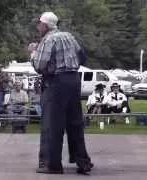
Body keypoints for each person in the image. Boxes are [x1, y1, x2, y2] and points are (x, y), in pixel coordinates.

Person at [29, 12, 93, 175]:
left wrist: (33, 53)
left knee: (52, 124)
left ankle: (52, 165)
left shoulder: (48, 40)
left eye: (39, 24)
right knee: (74, 122)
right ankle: (83, 161)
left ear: (45, 25)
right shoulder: (69, 36)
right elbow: (83, 58)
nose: (37, 27)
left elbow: (40, 66)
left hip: (56, 83)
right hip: (73, 81)